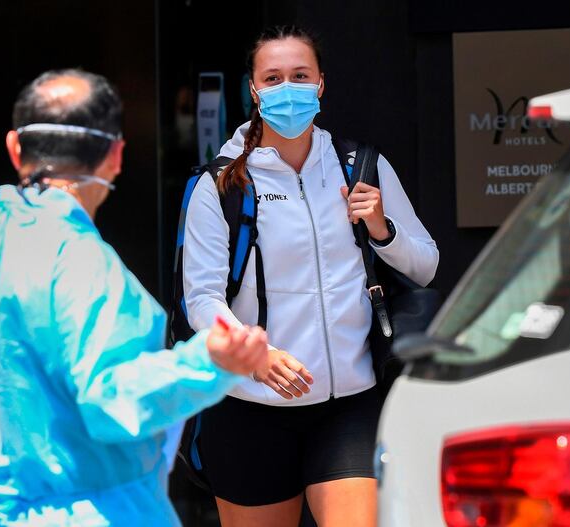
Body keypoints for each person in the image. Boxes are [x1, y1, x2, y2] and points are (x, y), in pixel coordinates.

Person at [0, 69, 268, 527]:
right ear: (116, 156)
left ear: (15, 148)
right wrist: (210, 362)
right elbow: (113, 399)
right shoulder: (77, 259)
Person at [182, 26, 439, 526]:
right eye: (273, 78)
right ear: (254, 91)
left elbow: (426, 265)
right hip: (249, 405)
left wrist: (382, 228)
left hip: (350, 405)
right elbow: (201, 299)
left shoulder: (360, 166)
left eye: (300, 75)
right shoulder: (220, 183)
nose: (288, 89)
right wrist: (253, 354)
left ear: (320, 84)